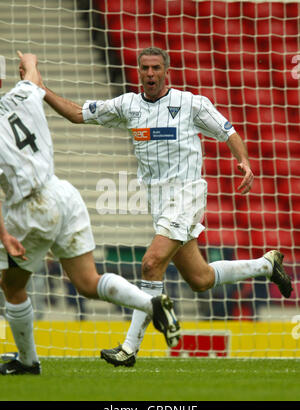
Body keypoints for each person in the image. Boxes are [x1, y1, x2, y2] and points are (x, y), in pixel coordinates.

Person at [40, 46, 292, 367]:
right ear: (139, 71)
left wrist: (243, 160)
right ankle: (267, 266)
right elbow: (77, 114)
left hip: (186, 196)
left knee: (150, 264)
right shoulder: (127, 105)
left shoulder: (190, 104)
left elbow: (228, 130)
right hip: (159, 203)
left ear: (166, 71)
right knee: (199, 279)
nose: (149, 74)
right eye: (144, 68)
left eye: (156, 68)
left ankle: (129, 348)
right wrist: (42, 90)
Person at [0, 52, 181, 375]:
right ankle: (150, 302)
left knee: (12, 286)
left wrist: (4, 235)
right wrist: (29, 61)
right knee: (87, 282)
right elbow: (31, 76)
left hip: (30, 207)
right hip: (64, 194)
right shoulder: (23, 93)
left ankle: (28, 361)